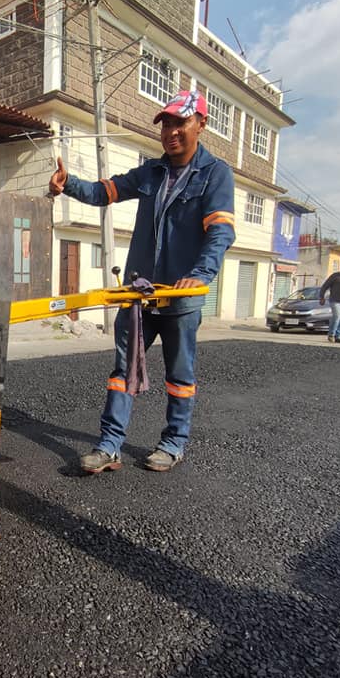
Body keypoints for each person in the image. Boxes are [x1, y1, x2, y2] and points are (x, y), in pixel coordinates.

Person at [48, 90, 235, 473]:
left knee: (179, 376)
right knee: (122, 371)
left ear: (201, 124)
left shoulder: (216, 174)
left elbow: (220, 233)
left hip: (181, 300)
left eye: (180, 123)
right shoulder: (151, 172)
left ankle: (173, 442)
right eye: (166, 124)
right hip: (140, 295)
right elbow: (105, 191)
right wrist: (68, 184)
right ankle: (110, 445)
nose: (171, 132)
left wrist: (199, 275)